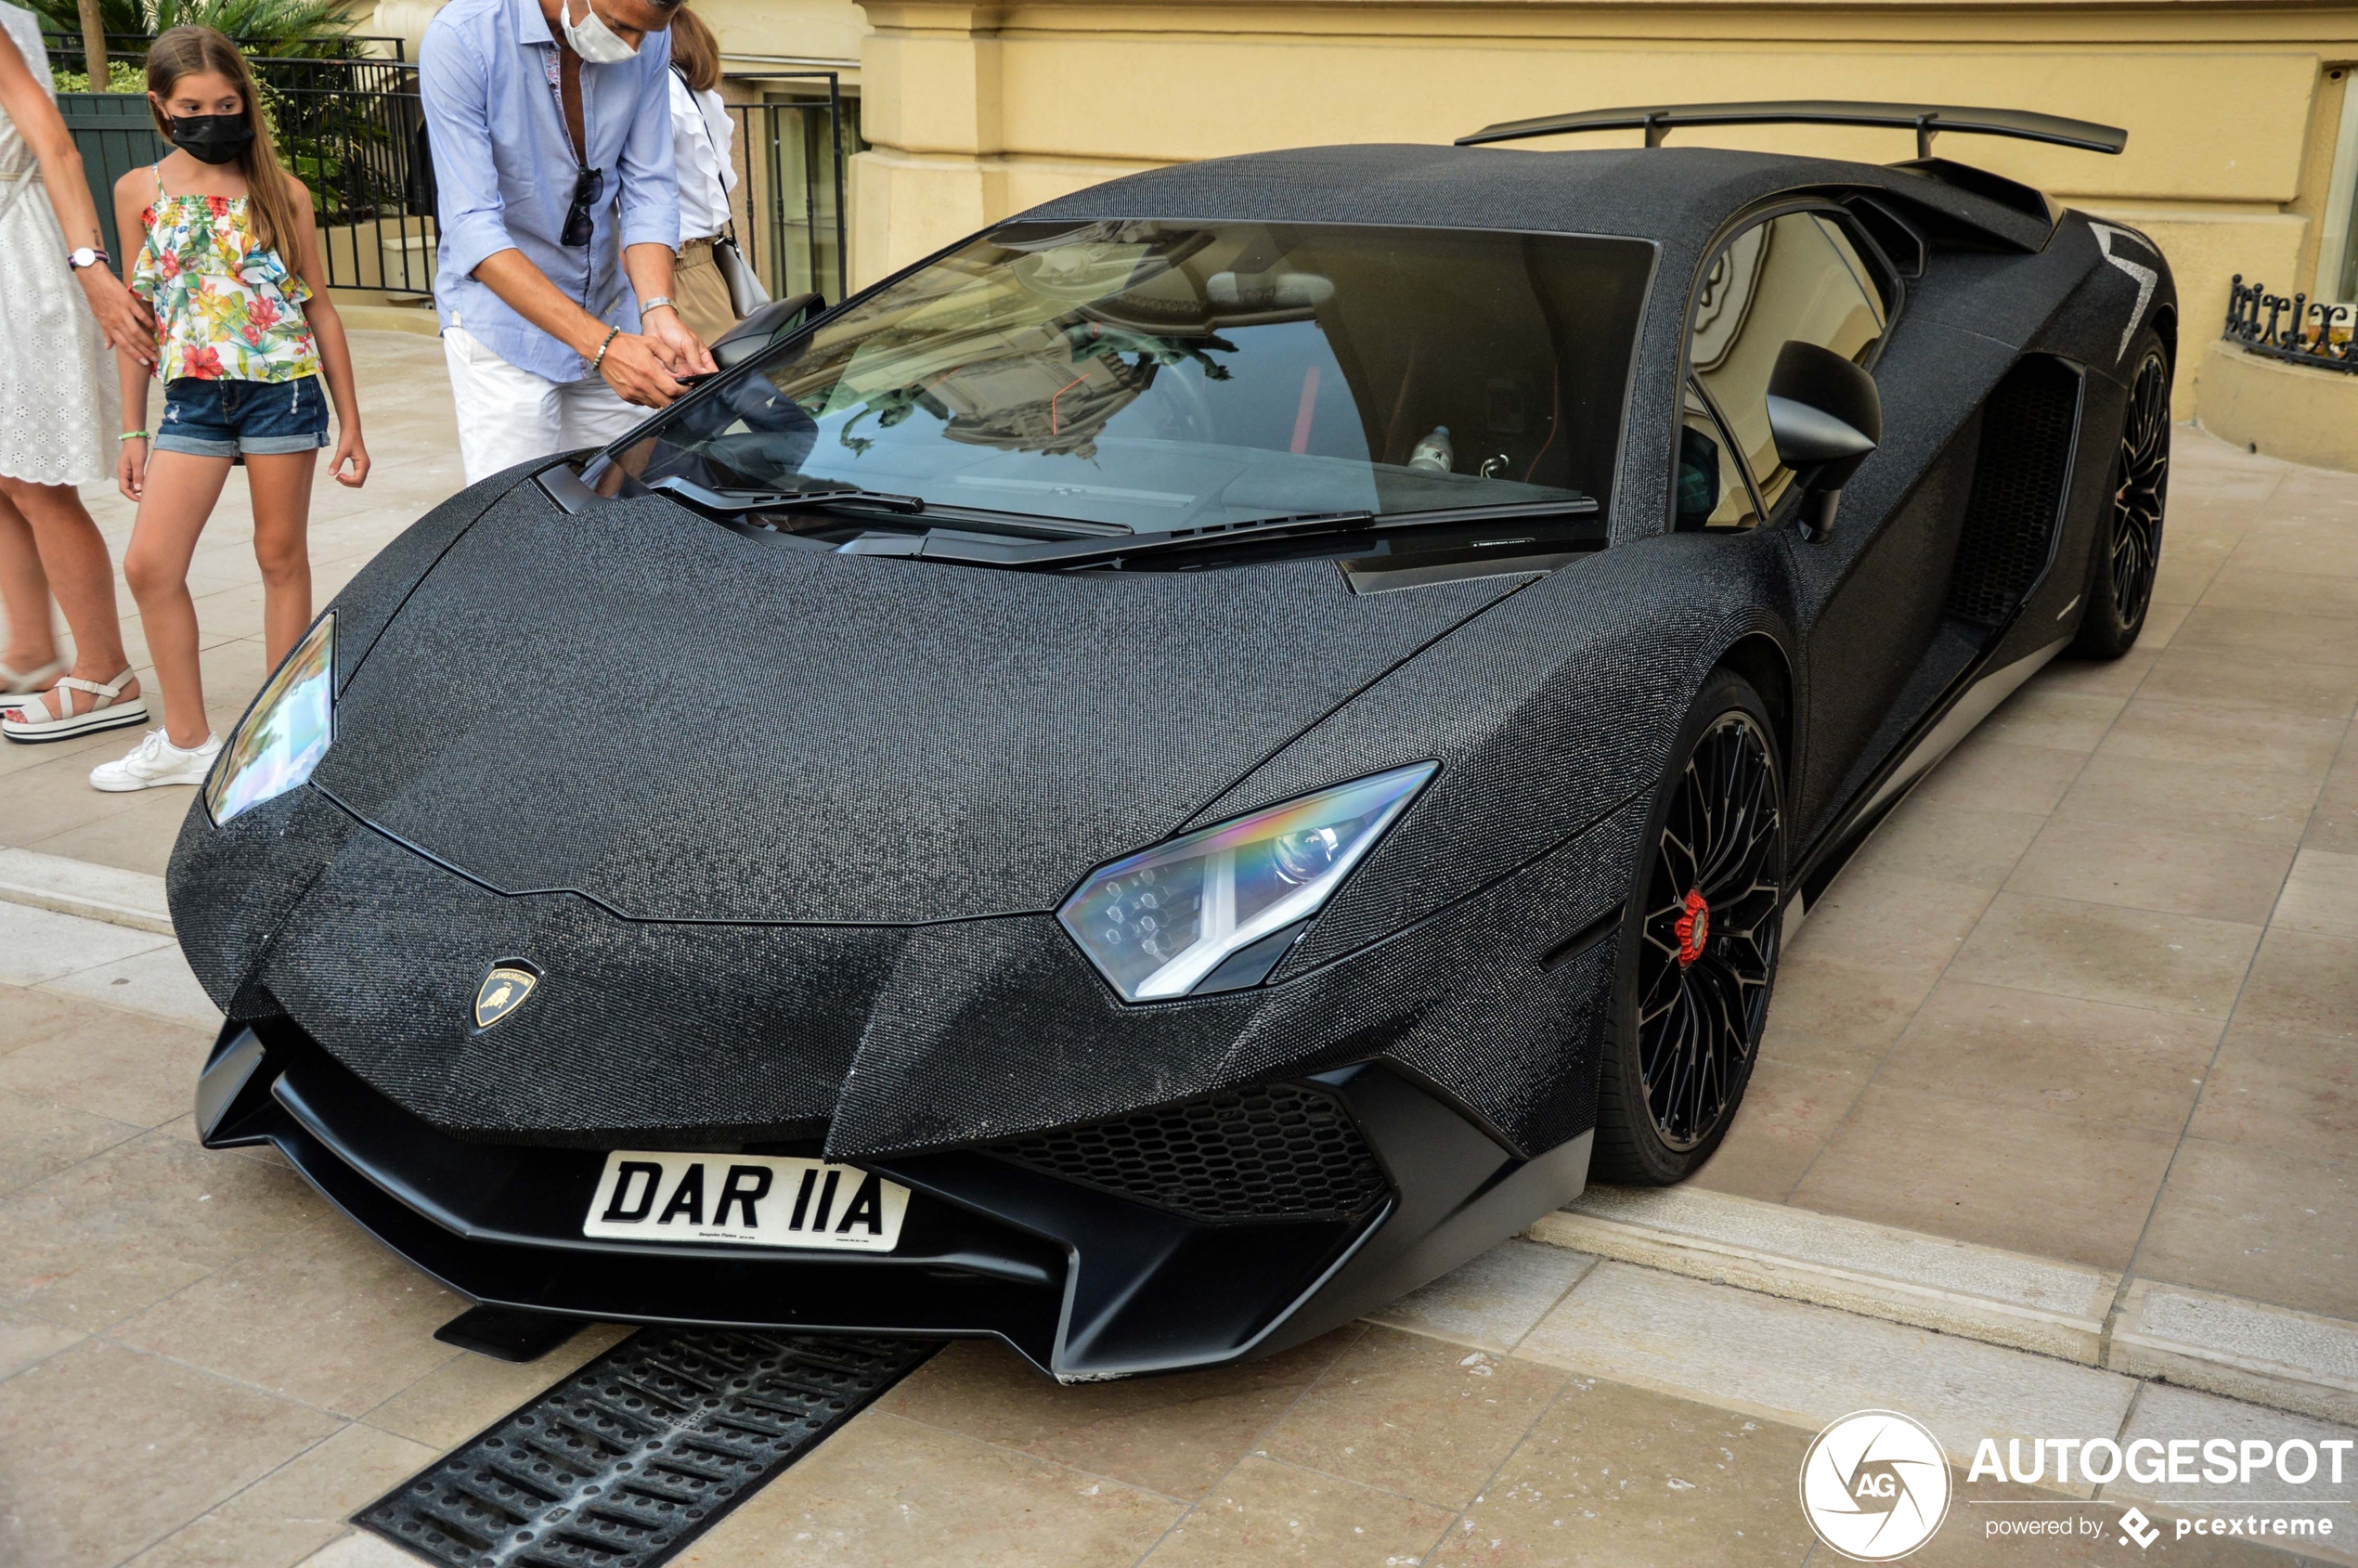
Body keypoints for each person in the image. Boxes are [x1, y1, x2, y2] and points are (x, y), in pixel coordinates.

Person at [58, 24, 369, 790]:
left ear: (246, 105)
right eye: (193, 105)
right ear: (162, 107)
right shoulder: (140, 190)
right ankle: (186, 739)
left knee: (278, 557)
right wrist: (133, 427)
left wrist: (351, 419)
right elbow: (138, 318)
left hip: (281, 394)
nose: (212, 117)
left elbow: (319, 307)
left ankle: (288, 741)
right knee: (150, 564)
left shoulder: (281, 191)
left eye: (227, 103)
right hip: (192, 402)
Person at [421, 0, 715, 485]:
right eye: (621, 26)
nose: (634, 47)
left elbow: (650, 188)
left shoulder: (649, 32)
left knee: (619, 515)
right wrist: (605, 349)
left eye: (646, 34)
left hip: (611, 311)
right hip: (503, 331)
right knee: (522, 528)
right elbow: (472, 226)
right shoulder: (462, 36)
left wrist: (658, 310)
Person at [0, 2, 158, 739]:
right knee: (6, 474)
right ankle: (32, 653)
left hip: (19, 262)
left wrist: (92, 269)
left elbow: (57, 150)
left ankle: (105, 673)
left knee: (36, 480)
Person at [663, 6, 737, 346]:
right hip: (701, 262)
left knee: (704, 390)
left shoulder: (663, 90)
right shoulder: (706, 98)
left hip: (676, 265)